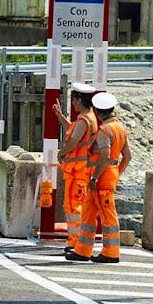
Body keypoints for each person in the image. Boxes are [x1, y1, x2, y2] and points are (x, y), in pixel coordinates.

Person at [66, 92, 132, 263]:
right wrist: (116, 172)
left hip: (100, 177)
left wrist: (95, 178)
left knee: (107, 215)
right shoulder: (119, 128)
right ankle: (82, 250)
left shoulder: (105, 130)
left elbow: (104, 155)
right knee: (88, 213)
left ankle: (111, 252)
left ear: (97, 110)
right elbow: (127, 156)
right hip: (107, 175)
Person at [53, 82, 98, 254]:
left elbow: (73, 141)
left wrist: (61, 153)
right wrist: (60, 116)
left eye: (74, 99)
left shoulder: (84, 119)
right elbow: (73, 131)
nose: (73, 102)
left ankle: (77, 243)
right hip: (78, 171)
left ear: (80, 99)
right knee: (74, 208)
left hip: (77, 171)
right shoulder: (87, 118)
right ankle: (74, 242)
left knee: (74, 209)